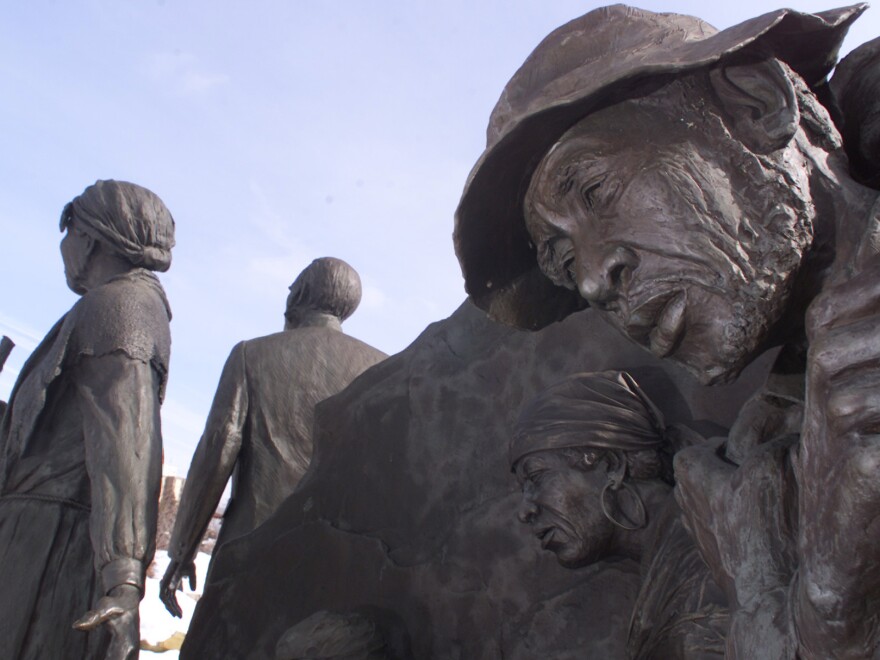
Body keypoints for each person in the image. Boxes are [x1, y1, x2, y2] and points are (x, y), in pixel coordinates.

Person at [454, 5, 880, 657]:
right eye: (566, 267)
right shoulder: (753, 464)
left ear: (754, 104)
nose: (594, 281)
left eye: (596, 191)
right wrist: (781, 584)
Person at [0, 180, 175, 660]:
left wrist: (122, 577)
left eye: (67, 232)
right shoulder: (114, 304)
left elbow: (127, 441)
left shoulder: (121, 306)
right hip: (38, 538)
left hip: (48, 552)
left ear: (88, 237)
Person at [160, 257, 387, 617]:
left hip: (250, 558)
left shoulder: (251, 355)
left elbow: (217, 451)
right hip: (339, 569)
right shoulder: (382, 371)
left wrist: (182, 550)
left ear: (299, 294)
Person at [512, 370, 727, 659]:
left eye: (536, 477)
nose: (524, 511)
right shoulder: (670, 566)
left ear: (611, 465)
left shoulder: (709, 550)